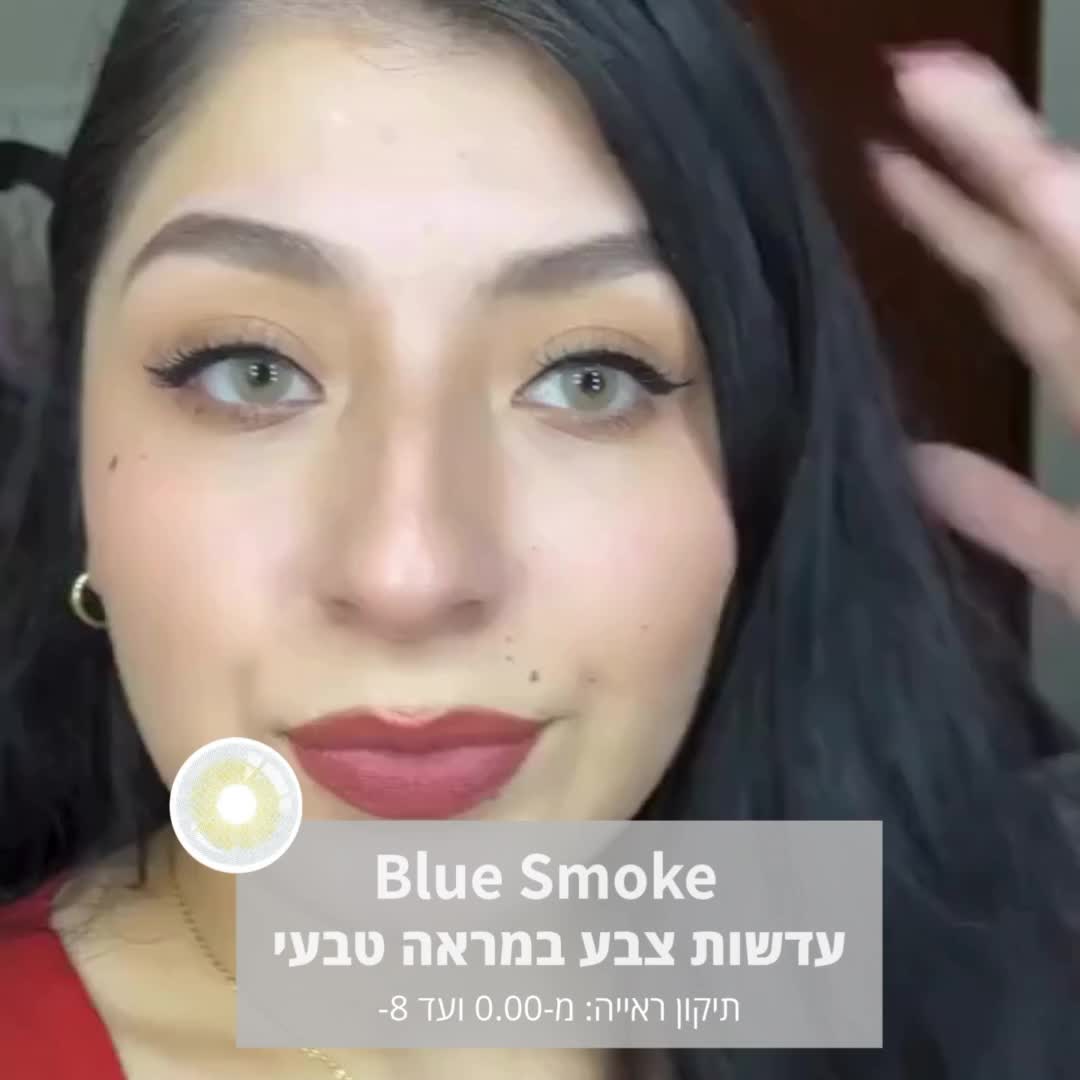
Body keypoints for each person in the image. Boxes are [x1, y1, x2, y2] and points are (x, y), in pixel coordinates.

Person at [1, 2, 1080, 1077]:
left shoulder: (920, 980)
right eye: (251, 370)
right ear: (82, 454)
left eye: (589, 378)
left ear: (759, 465)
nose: (409, 572)